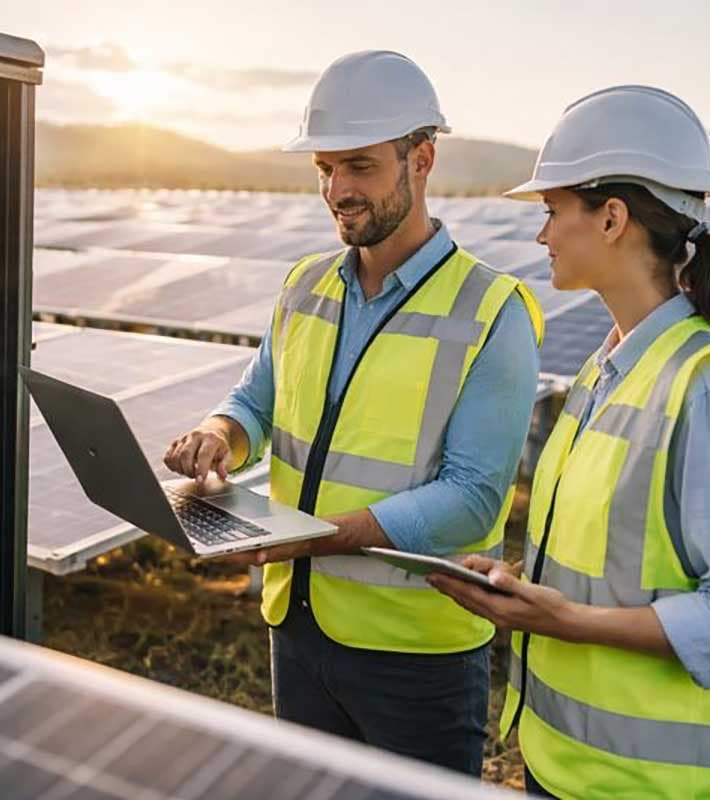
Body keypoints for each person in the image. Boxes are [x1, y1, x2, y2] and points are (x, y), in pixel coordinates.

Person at [163, 50, 544, 775]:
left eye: (360, 167)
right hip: (297, 628)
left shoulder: (492, 311)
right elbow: (254, 402)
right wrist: (219, 436)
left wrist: (316, 539)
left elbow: (473, 498)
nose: (337, 189)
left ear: (422, 159)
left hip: (415, 656)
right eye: (324, 170)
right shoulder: (305, 284)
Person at [427, 85, 710, 798]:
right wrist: (524, 589)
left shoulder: (709, 390)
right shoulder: (609, 367)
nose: (541, 235)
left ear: (613, 217)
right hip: (563, 765)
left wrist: (568, 619)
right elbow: (616, 558)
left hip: (647, 784)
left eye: (552, 212)